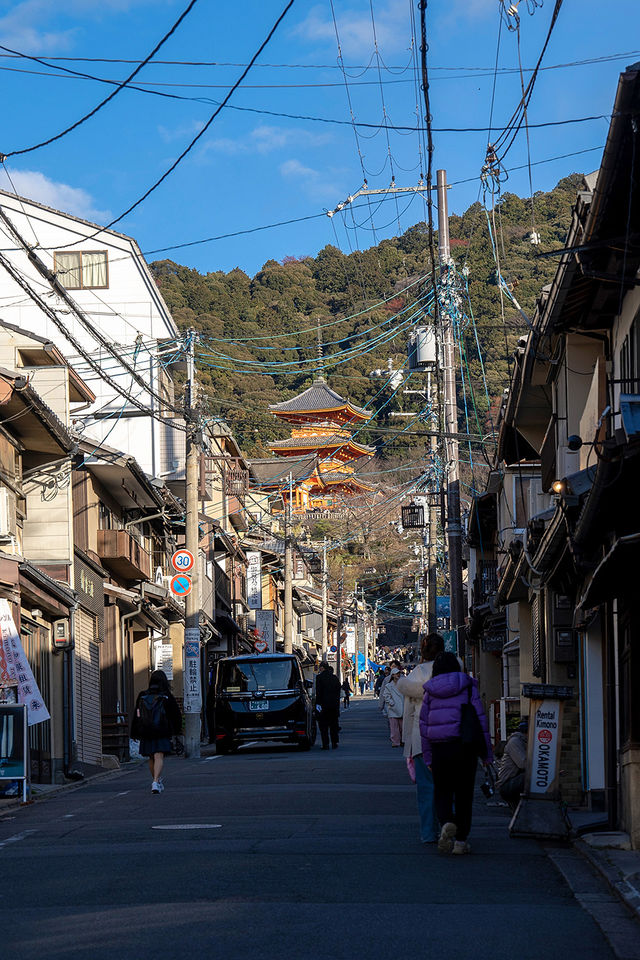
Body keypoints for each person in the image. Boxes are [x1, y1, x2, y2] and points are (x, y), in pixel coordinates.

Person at [419, 652, 493, 855]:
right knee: (464, 794)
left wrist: (427, 757)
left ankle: (446, 822)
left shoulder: (430, 691)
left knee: (441, 791)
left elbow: (423, 727)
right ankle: (461, 841)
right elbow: (480, 720)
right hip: (465, 747)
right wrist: (486, 754)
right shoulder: (468, 686)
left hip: (439, 748)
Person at [396, 633, 444, 843]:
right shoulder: (454, 670)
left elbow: (409, 714)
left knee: (426, 789)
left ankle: (428, 833)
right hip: (451, 739)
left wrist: (407, 744)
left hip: (421, 739)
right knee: (449, 786)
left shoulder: (416, 674)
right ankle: (451, 827)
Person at [131, 669, 182, 794]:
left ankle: (156, 781)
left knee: (151, 757)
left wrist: (135, 732)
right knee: (159, 755)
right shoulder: (166, 696)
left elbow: (137, 714)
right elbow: (175, 715)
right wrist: (177, 731)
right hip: (161, 731)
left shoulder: (142, 695)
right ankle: (155, 781)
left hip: (146, 731)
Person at [496, 718, 528, 811]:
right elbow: (523, 764)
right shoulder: (515, 742)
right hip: (507, 784)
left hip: (511, 781)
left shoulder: (522, 742)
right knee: (530, 778)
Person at [316, 661, 341, 749]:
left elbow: (318, 692)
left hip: (323, 705)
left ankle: (325, 744)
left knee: (323, 726)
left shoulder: (319, 677)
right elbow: (338, 691)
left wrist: (317, 704)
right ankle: (335, 743)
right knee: (333, 725)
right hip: (334, 705)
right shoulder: (334, 678)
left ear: (322, 668)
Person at [383, 667, 405, 747]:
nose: (398, 675)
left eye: (399, 673)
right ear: (392, 675)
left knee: (403, 727)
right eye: (396, 673)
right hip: (393, 708)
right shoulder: (389, 685)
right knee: (394, 727)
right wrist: (391, 703)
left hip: (402, 707)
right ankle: (395, 742)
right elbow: (385, 695)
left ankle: (403, 740)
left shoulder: (403, 684)